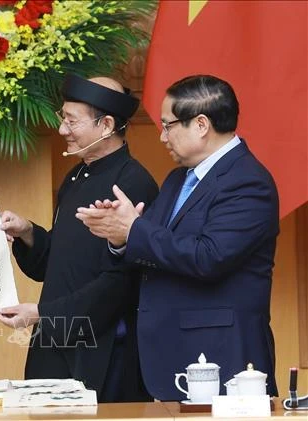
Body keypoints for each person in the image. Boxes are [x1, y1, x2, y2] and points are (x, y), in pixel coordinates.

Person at [76, 74, 279, 400]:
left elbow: (209, 257)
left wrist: (133, 229)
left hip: (220, 360)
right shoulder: (176, 180)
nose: (162, 137)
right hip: (169, 358)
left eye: (168, 125)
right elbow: (149, 245)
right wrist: (119, 236)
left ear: (201, 124)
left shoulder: (247, 181)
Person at [0, 74, 159, 402]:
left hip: (104, 349)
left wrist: (42, 315)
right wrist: (27, 231)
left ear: (107, 124)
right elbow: (54, 264)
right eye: (62, 118)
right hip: (54, 341)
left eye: (71, 120)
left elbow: (120, 284)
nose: (62, 130)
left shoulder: (134, 183)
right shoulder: (75, 176)